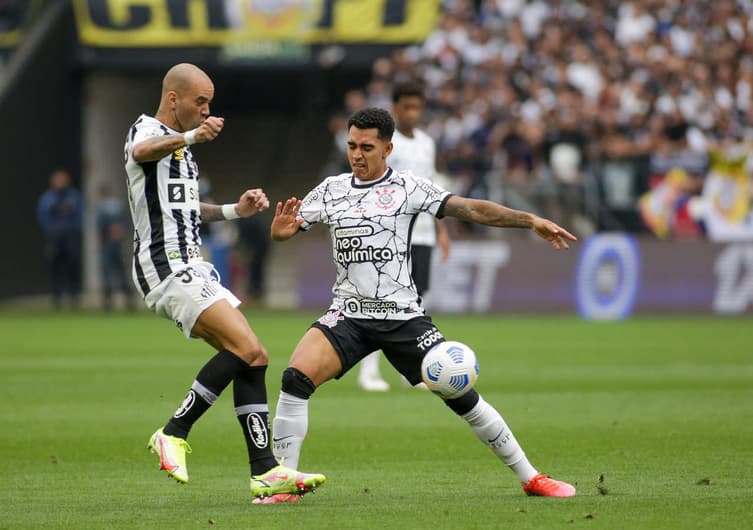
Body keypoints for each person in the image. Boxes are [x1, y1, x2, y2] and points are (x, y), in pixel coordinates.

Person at [270, 108, 577, 497]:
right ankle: (282, 482)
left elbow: (471, 208)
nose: (357, 155)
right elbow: (289, 228)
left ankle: (531, 477)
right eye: (351, 146)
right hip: (347, 314)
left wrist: (528, 219)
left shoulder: (409, 187)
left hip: (403, 317)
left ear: (388, 148)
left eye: (367, 147)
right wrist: (282, 233)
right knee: (294, 379)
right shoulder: (330, 190)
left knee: (461, 396)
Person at [123, 62, 325, 504]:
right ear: (173, 98)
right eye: (201, 101)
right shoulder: (147, 131)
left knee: (255, 358)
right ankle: (173, 432)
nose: (207, 110)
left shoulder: (180, 153)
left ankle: (266, 471)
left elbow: (189, 210)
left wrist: (236, 210)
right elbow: (141, 153)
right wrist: (193, 136)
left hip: (191, 263)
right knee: (247, 350)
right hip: (167, 264)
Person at [357, 81, 451, 391]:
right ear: (395, 108)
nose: (412, 113)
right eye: (406, 107)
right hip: (390, 233)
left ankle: (411, 370)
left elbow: (432, 188)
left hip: (422, 232)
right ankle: (368, 371)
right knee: (381, 299)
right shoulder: (386, 142)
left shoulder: (426, 142)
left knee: (414, 300)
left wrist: (441, 228)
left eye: (416, 107)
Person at [36, 169, 84, 310]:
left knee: (72, 267)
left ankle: (74, 297)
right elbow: (42, 217)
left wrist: (74, 229)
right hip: (54, 238)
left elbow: (81, 215)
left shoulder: (74, 196)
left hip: (70, 237)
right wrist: (51, 231)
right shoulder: (47, 198)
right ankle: (56, 298)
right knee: (55, 267)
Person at [95, 182, 136, 311]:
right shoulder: (118, 206)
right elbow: (127, 223)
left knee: (108, 272)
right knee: (121, 271)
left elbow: (99, 226)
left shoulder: (101, 208)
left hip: (107, 244)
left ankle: (108, 302)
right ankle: (128, 301)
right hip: (116, 243)